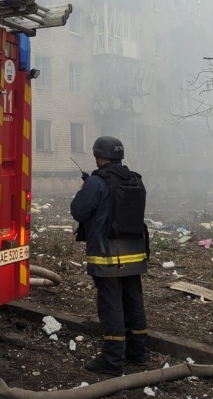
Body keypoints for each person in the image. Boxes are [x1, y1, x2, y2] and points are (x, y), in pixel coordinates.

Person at [70, 136, 150, 376]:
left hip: (108, 256)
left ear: (98, 156)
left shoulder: (96, 182)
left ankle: (113, 359)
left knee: (111, 304)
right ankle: (138, 352)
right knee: (133, 301)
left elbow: (79, 210)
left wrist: (84, 190)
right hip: (135, 254)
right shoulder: (136, 179)